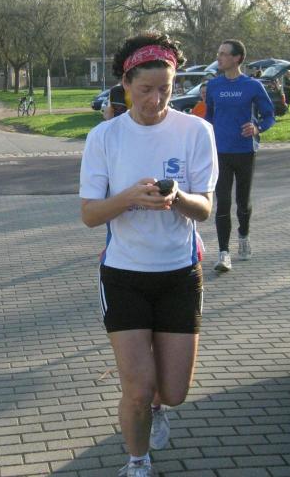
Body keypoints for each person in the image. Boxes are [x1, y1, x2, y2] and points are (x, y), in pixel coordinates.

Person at [79, 32, 218, 477]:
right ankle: (137, 462)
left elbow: (205, 208)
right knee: (137, 390)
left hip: (180, 274)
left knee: (172, 392)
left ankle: (160, 407)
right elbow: (89, 214)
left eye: (166, 89)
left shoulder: (196, 131)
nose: (155, 100)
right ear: (125, 84)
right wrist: (129, 198)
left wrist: (177, 198)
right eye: (145, 89)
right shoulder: (104, 137)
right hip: (124, 276)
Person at [204, 39, 275, 272]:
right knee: (223, 202)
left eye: (224, 54)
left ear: (237, 58)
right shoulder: (214, 85)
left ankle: (244, 236)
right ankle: (223, 253)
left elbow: (269, 115)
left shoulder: (252, 86)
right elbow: (209, 117)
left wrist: (257, 128)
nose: (219, 57)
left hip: (245, 151)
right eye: (219, 53)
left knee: (242, 202)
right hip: (220, 152)